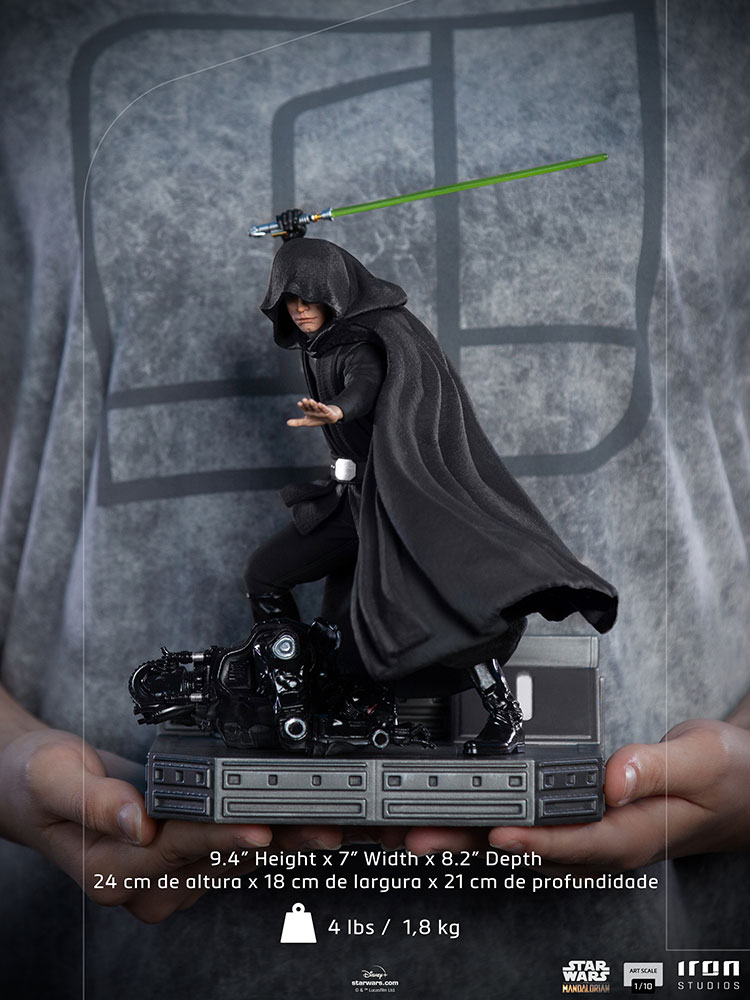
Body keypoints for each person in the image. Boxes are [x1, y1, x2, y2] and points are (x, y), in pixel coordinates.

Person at [243, 221, 618, 753]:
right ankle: (297, 696)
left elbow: (365, 385)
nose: (300, 310)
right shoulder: (317, 344)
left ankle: (503, 711)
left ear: (335, 294)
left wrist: (339, 410)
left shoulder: (361, 343)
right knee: (272, 579)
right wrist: (294, 243)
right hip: (347, 503)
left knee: (438, 601)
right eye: (290, 299)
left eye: (310, 297)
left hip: (388, 502)